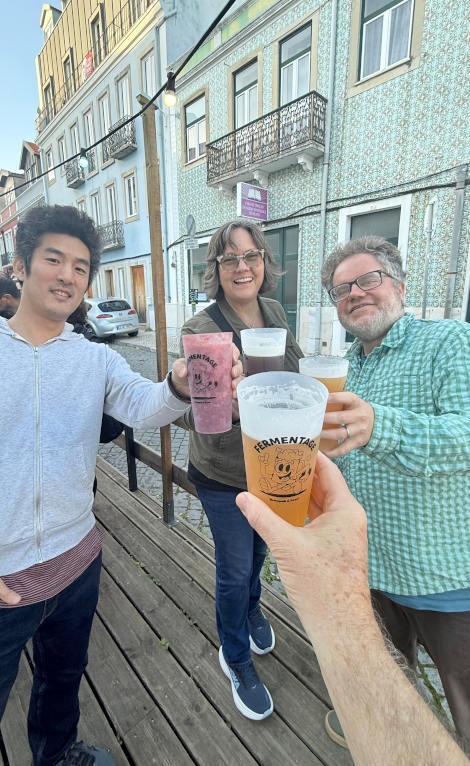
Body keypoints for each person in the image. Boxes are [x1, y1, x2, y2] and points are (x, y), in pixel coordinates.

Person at [0, 205, 241, 766]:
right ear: (20, 266)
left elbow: (142, 405)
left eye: (81, 267)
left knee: (62, 687)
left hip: (76, 564)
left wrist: (178, 383)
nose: (67, 276)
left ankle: (57, 755)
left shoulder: (93, 359)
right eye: (53, 259)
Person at [319, 235, 470, 765]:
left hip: (458, 580)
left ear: (400, 286)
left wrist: (380, 426)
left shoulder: (454, 342)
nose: (355, 293)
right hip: (374, 577)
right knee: (395, 708)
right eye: (341, 289)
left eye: (369, 279)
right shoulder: (346, 367)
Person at [236, 453, 470, 766]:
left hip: (453, 566)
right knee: (236, 571)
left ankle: (365, 718)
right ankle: (363, 719)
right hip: (371, 556)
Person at [178, 219, 303, 721]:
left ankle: (253, 608)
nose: (241, 266)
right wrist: (225, 408)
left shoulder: (273, 311)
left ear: (264, 263)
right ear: (216, 268)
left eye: (250, 256)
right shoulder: (201, 328)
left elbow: (291, 373)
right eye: (229, 258)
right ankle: (234, 658)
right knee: (233, 570)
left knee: (258, 555)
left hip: (271, 465)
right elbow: (187, 411)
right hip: (223, 471)